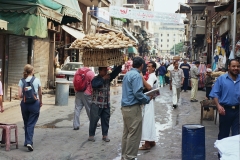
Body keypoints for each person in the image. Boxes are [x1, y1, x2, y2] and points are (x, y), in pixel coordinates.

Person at [121, 57, 152, 160]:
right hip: (132, 108)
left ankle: (124, 156)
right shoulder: (137, 75)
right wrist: (147, 98)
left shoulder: (127, 74)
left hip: (125, 107)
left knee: (127, 134)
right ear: (142, 66)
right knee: (134, 134)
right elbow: (137, 93)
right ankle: (129, 157)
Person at [209, 59, 240, 159]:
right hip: (225, 111)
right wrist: (218, 106)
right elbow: (215, 94)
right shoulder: (222, 79)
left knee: (237, 136)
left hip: (238, 111)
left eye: (238, 66)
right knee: (224, 135)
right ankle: (221, 156)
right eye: (234, 66)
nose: (236, 68)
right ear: (229, 67)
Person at [88, 65, 122, 142]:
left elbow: (115, 73)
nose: (106, 72)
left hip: (106, 103)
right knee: (94, 119)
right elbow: (94, 85)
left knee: (105, 119)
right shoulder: (96, 79)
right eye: (104, 70)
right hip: (96, 103)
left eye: (106, 70)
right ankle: (91, 135)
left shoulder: (108, 78)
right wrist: (103, 78)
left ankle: (105, 135)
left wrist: (119, 65)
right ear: (100, 71)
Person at [18, 64, 42, 151]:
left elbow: (20, 95)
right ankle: (29, 142)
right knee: (31, 124)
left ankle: (26, 141)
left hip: (24, 104)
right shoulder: (37, 80)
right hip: (35, 103)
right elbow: (40, 93)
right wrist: (41, 102)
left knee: (26, 122)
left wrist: (26, 95)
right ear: (32, 71)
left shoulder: (21, 81)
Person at [139, 61, 158, 150]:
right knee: (149, 120)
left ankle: (147, 144)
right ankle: (151, 141)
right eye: (147, 66)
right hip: (149, 100)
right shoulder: (151, 76)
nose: (148, 68)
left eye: (150, 66)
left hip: (149, 100)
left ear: (153, 68)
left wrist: (142, 78)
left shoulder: (152, 76)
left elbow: (149, 87)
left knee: (147, 121)